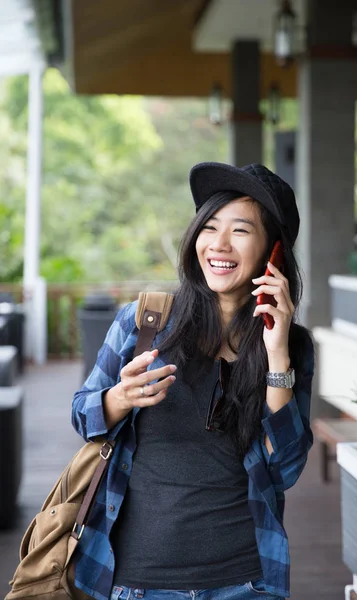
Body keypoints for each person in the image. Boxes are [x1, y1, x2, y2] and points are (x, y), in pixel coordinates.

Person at [71, 162, 314, 600]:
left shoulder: (292, 346)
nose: (218, 244)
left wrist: (277, 354)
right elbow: (83, 414)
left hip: (245, 582)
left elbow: (287, 469)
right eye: (210, 226)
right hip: (137, 581)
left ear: (272, 251)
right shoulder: (142, 322)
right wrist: (119, 399)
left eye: (240, 231)